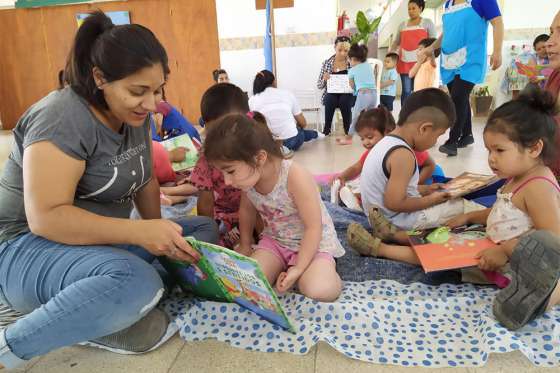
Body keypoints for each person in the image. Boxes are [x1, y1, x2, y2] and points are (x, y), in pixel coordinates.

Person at [0, 11, 219, 370]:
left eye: (157, 90)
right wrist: (141, 233)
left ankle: (98, 308)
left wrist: (157, 230)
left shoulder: (135, 116)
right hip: (24, 248)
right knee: (138, 281)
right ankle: (10, 347)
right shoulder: (61, 117)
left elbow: (146, 177)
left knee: (200, 233)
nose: (151, 104)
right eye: (138, 91)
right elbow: (45, 218)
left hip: (95, 243)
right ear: (99, 77)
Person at [445, 91, 560, 330]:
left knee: (552, 280)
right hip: (502, 255)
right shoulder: (516, 177)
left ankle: (542, 300)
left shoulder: (538, 186)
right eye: (488, 151)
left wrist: (506, 251)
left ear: (535, 148)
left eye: (499, 150)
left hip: (531, 264)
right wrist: (468, 217)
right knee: (452, 261)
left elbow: (551, 237)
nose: (491, 159)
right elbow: (502, 211)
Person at [203, 114, 345, 302]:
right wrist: (245, 245)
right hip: (276, 242)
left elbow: (314, 227)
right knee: (247, 284)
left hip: (314, 244)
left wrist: (299, 268)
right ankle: (291, 270)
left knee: (319, 290)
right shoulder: (248, 181)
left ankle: (323, 272)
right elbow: (246, 211)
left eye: (230, 171)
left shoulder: (294, 176)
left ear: (260, 158)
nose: (227, 181)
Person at [346, 89, 462, 265]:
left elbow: (393, 187)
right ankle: (396, 235)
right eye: (438, 136)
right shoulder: (403, 154)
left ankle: (392, 233)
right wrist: (433, 199)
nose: (435, 142)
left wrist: (424, 190)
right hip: (398, 219)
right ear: (425, 128)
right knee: (462, 207)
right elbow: (395, 203)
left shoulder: (386, 142)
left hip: (378, 216)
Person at [424, 0, 504, 157]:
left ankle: (452, 141)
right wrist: (432, 47)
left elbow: (498, 22)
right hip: (449, 59)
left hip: (471, 58)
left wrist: (497, 51)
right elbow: (447, 32)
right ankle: (467, 135)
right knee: (461, 98)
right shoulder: (447, 4)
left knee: (457, 98)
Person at [190, 83, 250, 248]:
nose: (223, 138)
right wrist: (209, 237)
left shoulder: (252, 150)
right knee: (218, 241)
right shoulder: (206, 159)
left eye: (230, 130)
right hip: (225, 217)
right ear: (206, 126)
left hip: (255, 210)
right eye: (215, 131)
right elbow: (205, 202)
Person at [249, 70, 323, 151]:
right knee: (299, 131)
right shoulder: (287, 94)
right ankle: (315, 134)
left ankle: (281, 148)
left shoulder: (252, 100)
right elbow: (303, 123)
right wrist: (297, 127)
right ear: (273, 82)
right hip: (292, 141)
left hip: (268, 144)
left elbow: (251, 122)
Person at [389, 0, 437, 106]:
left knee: (420, 91)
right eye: (409, 8)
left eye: (413, 8)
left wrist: (431, 58)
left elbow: (434, 42)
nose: (410, 11)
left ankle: (420, 116)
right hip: (404, 63)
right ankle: (404, 118)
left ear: (420, 8)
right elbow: (396, 42)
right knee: (406, 91)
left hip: (422, 64)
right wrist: (390, 54)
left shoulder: (427, 23)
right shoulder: (402, 25)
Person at [317, 36, 354, 137]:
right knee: (329, 99)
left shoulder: (352, 63)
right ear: (334, 48)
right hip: (331, 92)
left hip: (347, 92)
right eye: (340, 50)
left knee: (344, 101)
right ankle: (327, 129)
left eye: (346, 51)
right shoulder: (327, 63)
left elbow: (358, 83)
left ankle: (347, 129)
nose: (343, 53)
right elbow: (319, 85)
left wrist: (353, 81)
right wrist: (324, 79)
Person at [343, 44, 377, 145]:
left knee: (355, 116)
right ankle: (374, 136)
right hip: (374, 94)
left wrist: (355, 91)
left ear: (353, 59)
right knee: (371, 116)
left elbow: (352, 84)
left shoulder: (352, 70)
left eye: (349, 60)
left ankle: (349, 138)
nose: (349, 62)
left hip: (363, 95)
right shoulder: (367, 65)